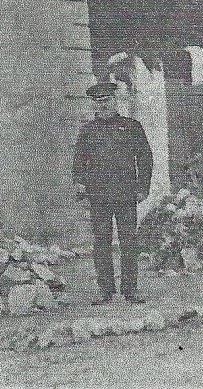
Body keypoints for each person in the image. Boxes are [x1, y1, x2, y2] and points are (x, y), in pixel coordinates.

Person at [72, 81, 153, 305]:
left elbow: (145, 158)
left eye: (107, 101)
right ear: (94, 105)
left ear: (115, 101)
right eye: (99, 103)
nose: (104, 106)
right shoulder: (87, 131)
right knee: (101, 242)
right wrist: (80, 184)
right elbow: (79, 161)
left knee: (129, 241)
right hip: (98, 196)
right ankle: (105, 290)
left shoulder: (131, 127)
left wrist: (142, 187)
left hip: (126, 194)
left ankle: (130, 289)